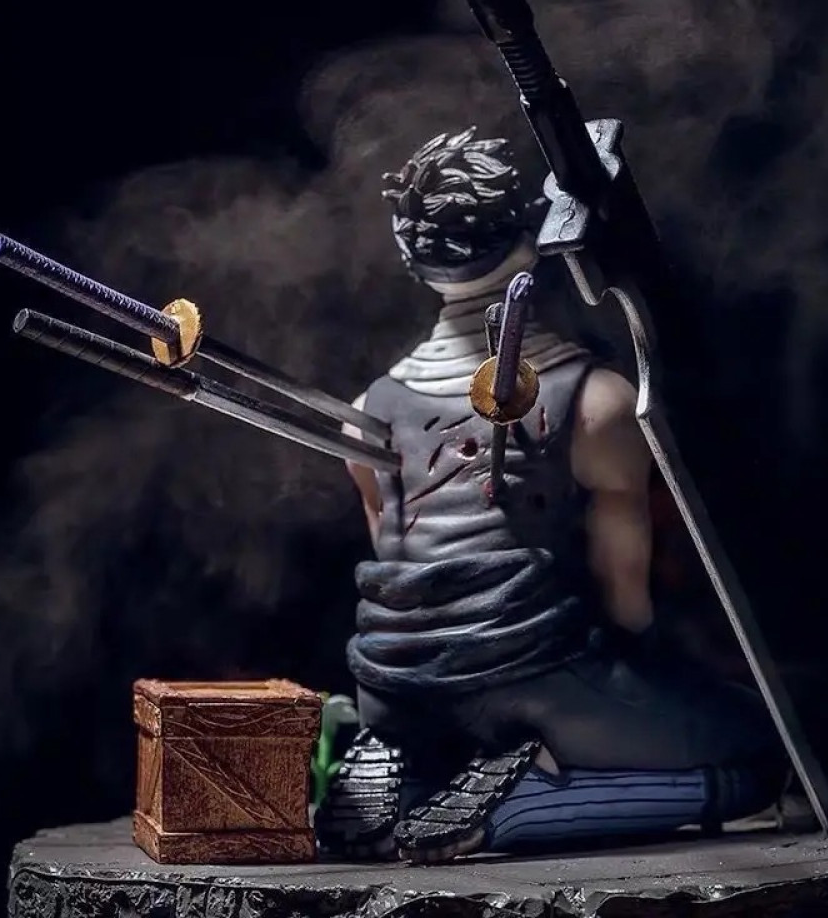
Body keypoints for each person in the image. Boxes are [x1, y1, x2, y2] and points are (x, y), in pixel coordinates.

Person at [314, 127, 787, 863]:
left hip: (393, 686)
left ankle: (406, 771)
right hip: (540, 680)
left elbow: (400, 565)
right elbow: (627, 602)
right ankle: (525, 804)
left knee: (444, 740)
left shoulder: (365, 411)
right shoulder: (597, 401)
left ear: (412, 257)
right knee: (758, 754)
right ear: (532, 236)